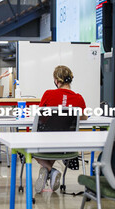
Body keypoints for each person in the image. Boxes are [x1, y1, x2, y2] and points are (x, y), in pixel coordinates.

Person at [34, 65, 87, 193]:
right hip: (67, 147)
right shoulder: (78, 98)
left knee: (24, 147)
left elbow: (41, 114)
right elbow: (83, 117)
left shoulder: (48, 94)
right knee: (56, 142)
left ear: (56, 80)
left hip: (46, 143)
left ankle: (49, 169)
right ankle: (50, 172)